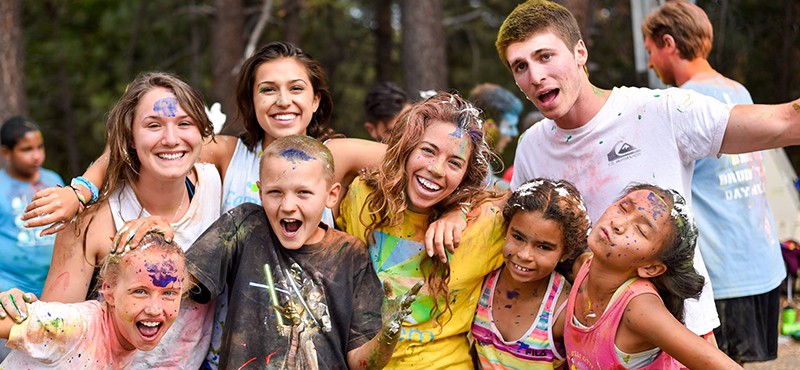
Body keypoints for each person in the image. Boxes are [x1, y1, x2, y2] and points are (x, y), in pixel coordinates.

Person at [495, 0, 800, 341]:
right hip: (587, 343)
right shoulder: (532, 145)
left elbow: (785, 122)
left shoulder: (662, 112)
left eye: (545, 56)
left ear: (580, 51)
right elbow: (515, 234)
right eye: (520, 66)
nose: (535, 76)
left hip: (679, 338)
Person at [22, 42, 384, 232]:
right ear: (252, 100)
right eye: (268, 89)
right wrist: (81, 191)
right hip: (225, 340)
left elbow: (419, 163)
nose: (283, 101)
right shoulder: (229, 152)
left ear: (316, 98)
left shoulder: (338, 153)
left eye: (296, 88)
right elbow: (131, 148)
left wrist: (445, 216)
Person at [35, 71, 221, 369]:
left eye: (184, 123)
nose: (171, 139)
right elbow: (50, 337)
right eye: (153, 125)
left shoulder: (217, 184)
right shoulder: (91, 223)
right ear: (130, 137)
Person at [185, 135, 418, 369]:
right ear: (260, 192)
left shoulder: (350, 254)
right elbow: (182, 282)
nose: (287, 205)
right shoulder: (244, 227)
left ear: (331, 195)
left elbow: (361, 363)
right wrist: (155, 241)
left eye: (303, 193)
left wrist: (388, 335)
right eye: (275, 192)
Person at [641, 1, 785, 364]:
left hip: (721, 276)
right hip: (763, 263)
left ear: (669, 43)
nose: (650, 63)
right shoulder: (739, 91)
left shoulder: (678, 103)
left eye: (650, 51)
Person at [337, 92, 507, 369]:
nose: (436, 169)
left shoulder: (484, 223)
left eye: (455, 163)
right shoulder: (364, 198)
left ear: (466, 175)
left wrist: (461, 210)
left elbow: (528, 201)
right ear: (406, 149)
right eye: (427, 150)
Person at [565, 184, 740, 369]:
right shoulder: (582, 267)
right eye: (623, 207)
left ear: (651, 268)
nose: (617, 224)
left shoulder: (639, 309)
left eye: (640, 230)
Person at [0, 232, 187, 369]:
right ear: (109, 292)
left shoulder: (128, 338)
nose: (155, 309)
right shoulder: (73, 326)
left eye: (169, 293)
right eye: (140, 292)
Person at [471, 178, 589, 369]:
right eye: (517, 237)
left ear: (565, 253)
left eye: (544, 247)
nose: (524, 255)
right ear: (506, 229)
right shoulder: (483, 279)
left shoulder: (564, 310)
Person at [0, 116, 64, 361]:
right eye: (27, 149)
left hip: (52, 296)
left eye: (40, 147)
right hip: (11, 298)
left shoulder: (53, 180)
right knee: (16, 360)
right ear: (7, 152)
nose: (36, 155)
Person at [467, 83, 523, 190]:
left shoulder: (478, 160)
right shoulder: (471, 164)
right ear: (488, 125)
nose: (514, 133)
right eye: (510, 126)